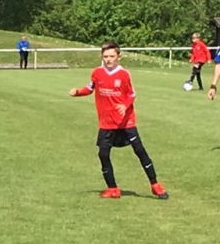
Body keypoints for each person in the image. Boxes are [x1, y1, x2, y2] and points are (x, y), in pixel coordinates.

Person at [69, 41, 168, 200]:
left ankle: (155, 185)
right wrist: (78, 92)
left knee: (140, 151)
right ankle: (113, 188)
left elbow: (131, 94)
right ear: (101, 57)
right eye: (105, 56)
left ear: (118, 57)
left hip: (125, 122)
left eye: (112, 56)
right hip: (106, 123)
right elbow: (90, 88)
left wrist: (124, 105)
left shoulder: (124, 74)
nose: (108, 59)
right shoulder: (97, 73)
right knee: (103, 154)